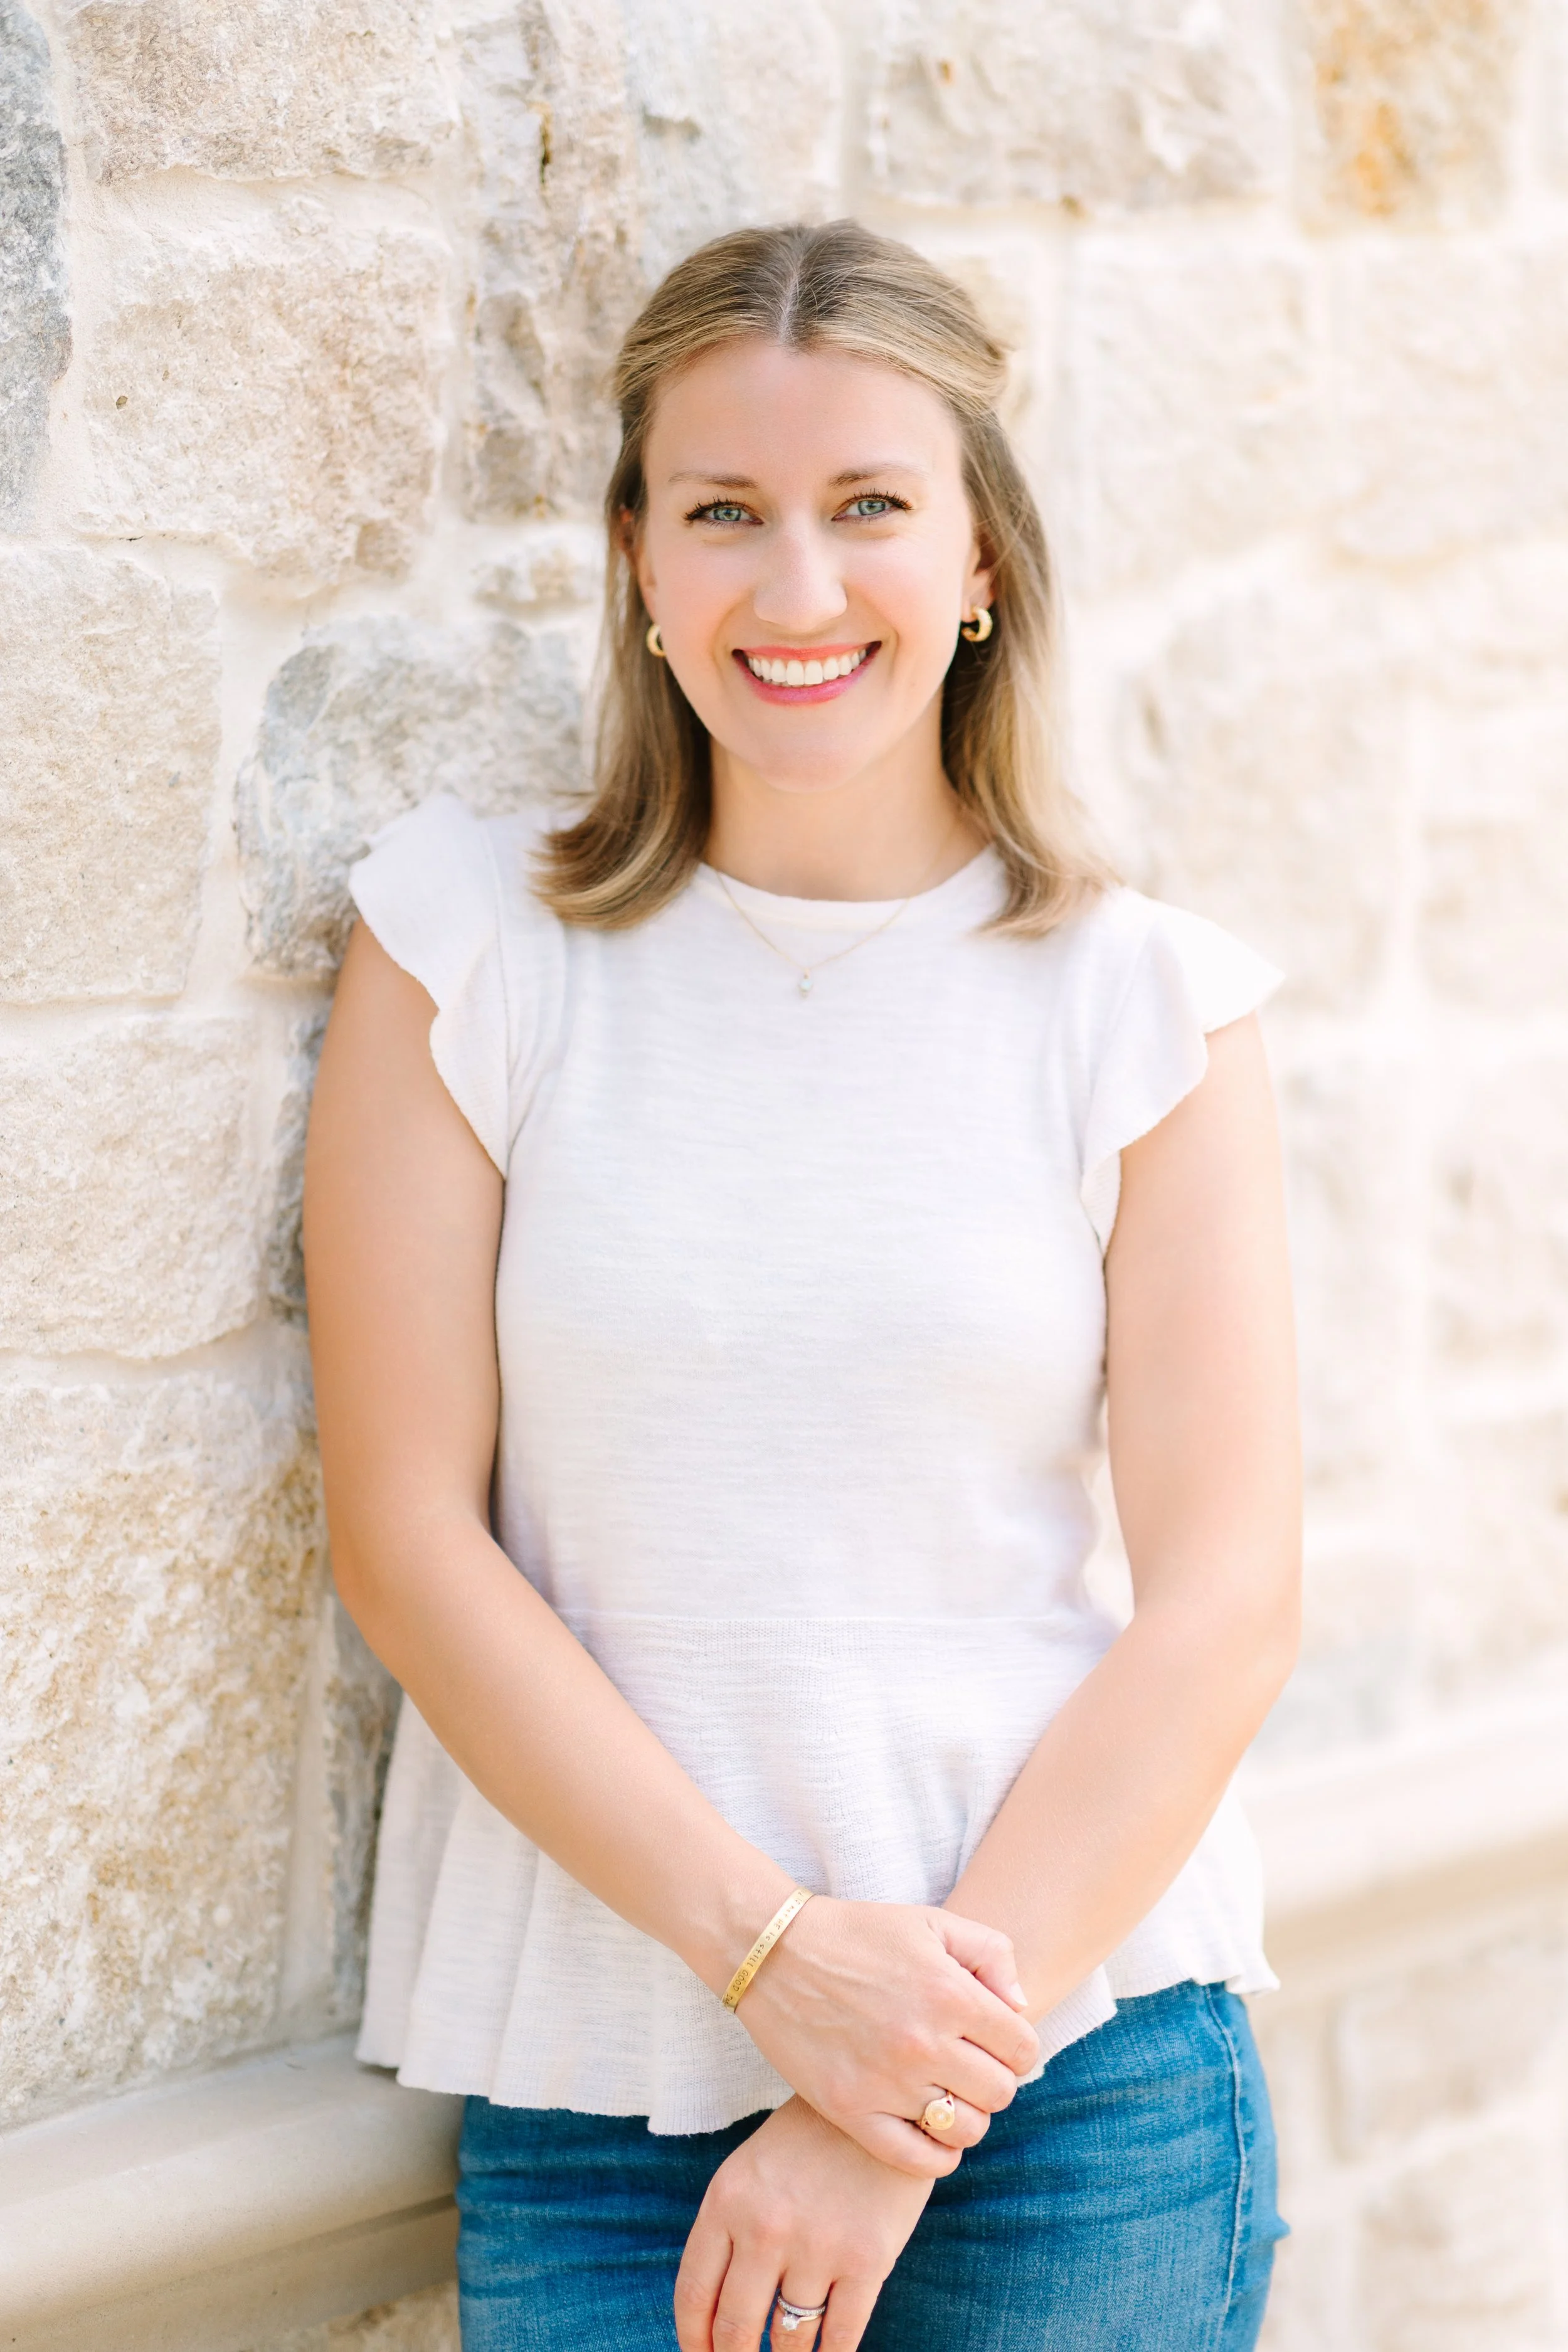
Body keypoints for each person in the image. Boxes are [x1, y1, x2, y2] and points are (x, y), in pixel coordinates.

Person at [303, 220, 1300, 2351]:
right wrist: (775, 1962)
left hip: (1064, 2082)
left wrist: (895, 2095)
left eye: (867, 505)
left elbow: (1225, 1602)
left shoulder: (1142, 1004)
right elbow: (403, 1536)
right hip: (600, 2086)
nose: (797, 587)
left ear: (978, 555)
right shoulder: (468, 946)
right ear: (635, 560)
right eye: (721, 512)